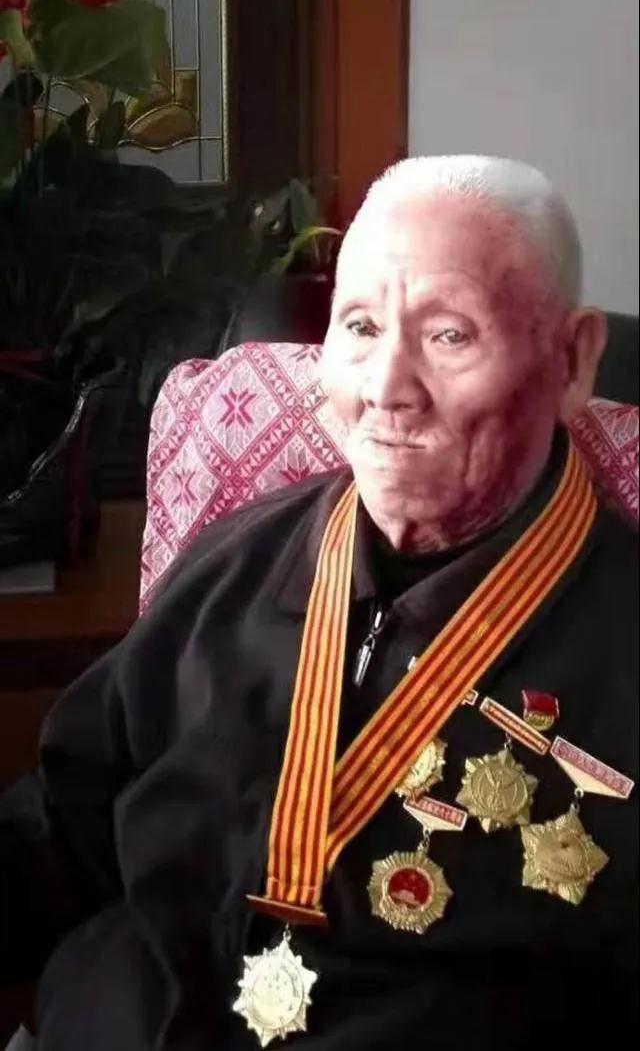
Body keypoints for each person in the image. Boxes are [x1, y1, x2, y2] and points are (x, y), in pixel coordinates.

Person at [1, 156, 637, 1051]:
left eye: (449, 334)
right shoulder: (235, 558)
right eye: (361, 326)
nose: (386, 388)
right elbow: (62, 829)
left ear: (571, 361)